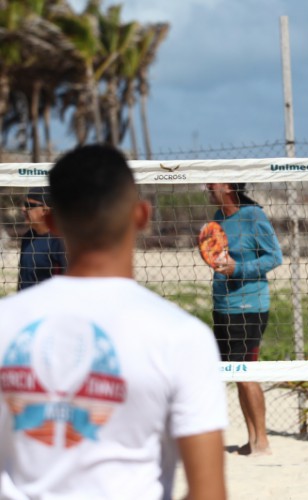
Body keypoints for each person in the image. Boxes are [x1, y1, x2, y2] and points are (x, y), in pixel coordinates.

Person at [0, 145, 227, 500]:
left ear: (52, 222)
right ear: (141, 216)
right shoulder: (183, 338)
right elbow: (209, 493)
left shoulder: (6, 324)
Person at [206, 182, 283, 455]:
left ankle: (262, 441)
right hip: (223, 305)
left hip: (250, 307)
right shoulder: (217, 220)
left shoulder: (253, 216)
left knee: (247, 372)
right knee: (236, 374)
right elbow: (218, 259)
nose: (207, 186)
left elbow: (275, 257)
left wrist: (238, 268)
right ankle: (251, 439)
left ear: (227, 186)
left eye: (212, 182)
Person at [17, 186, 67, 291]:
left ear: (45, 210)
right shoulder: (28, 237)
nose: (23, 209)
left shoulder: (60, 241)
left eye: (29, 205)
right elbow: (23, 278)